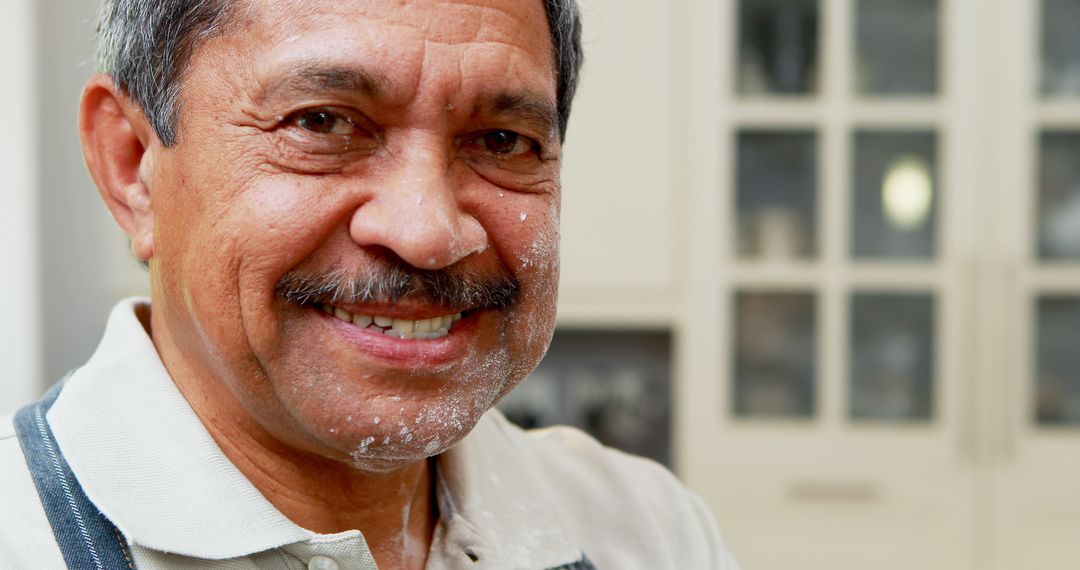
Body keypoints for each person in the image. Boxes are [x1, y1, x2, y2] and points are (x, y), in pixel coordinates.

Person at [0, 0, 740, 568]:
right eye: (323, 122)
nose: (429, 230)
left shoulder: (650, 531)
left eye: (501, 140)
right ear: (133, 166)